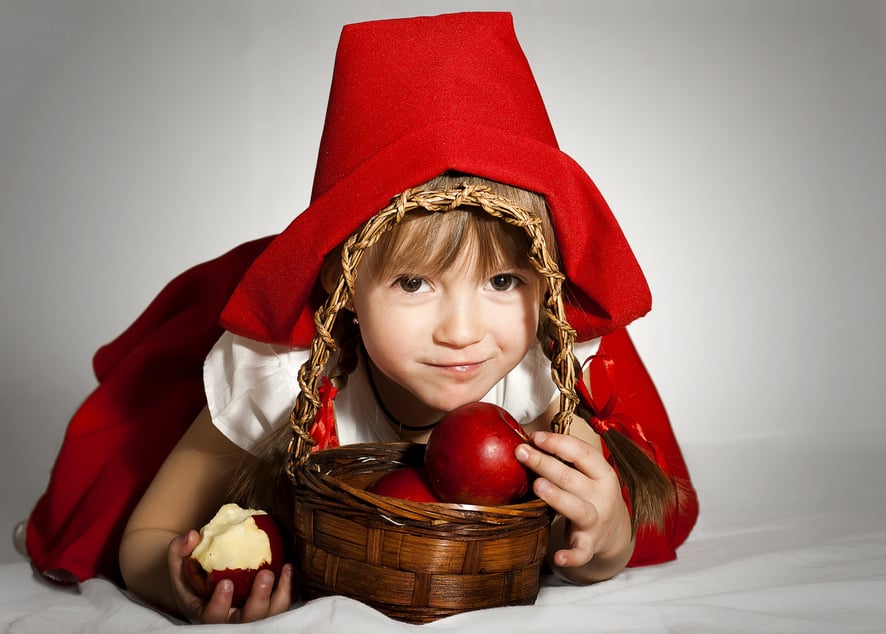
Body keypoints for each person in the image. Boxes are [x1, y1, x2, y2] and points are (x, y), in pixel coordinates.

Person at [22, 11, 698, 625]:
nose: (461, 332)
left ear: (546, 283)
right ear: (342, 287)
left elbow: (579, 546)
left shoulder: (538, 392)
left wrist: (604, 541)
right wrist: (179, 581)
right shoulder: (279, 380)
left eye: (501, 280)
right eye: (412, 282)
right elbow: (147, 538)